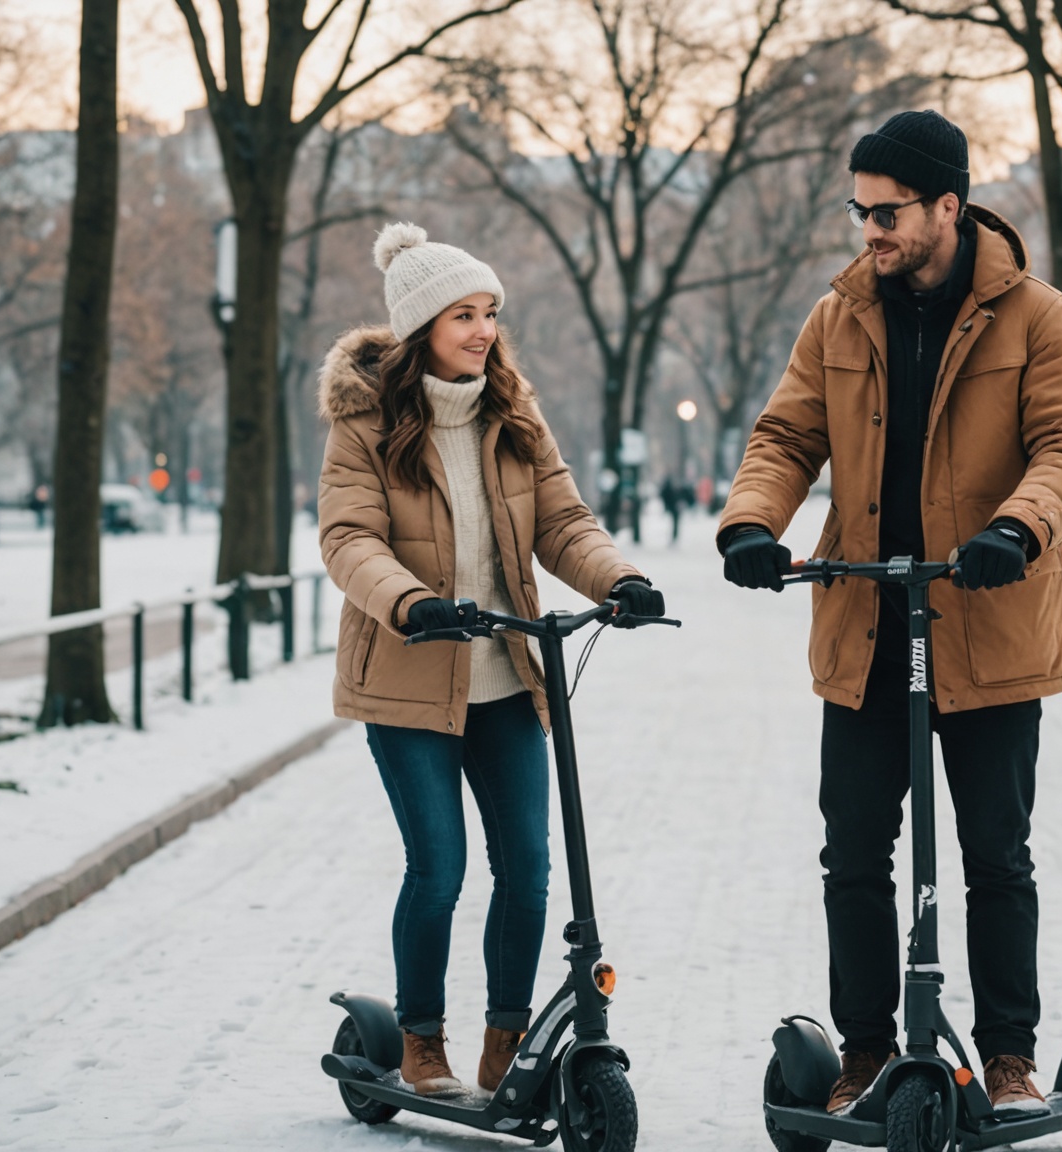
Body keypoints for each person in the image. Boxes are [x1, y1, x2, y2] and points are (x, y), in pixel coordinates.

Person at [716, 111, 1062, 1117]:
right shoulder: (840, 315)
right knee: (853, 853)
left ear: (948, 204)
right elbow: (785, 433)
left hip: (988, 622)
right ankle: (862, 1058)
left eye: (886, 212)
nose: (869, 231)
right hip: (868, 623)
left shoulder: (1035, 316)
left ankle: (1010, 1062)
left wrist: (1018, 530)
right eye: (860, 212)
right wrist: (752, 525)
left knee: (995, 854)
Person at [318, 223, 666, 1098]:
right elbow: (348, 537)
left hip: (508, 677)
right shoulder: (365, 422)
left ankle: (506, 1042)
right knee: (438, 868)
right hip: (407, 678)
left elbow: (562, 521)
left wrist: (619, 578)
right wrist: (410, 601)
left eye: (490, 314)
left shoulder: (512, 413)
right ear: (420, 327)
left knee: (530, 868)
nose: (483, 330)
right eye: (464, 315)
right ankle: (421, 1040)